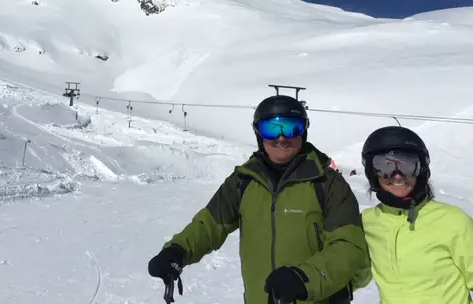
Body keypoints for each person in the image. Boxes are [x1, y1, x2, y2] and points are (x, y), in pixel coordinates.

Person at [148, 95, 372, 304]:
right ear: (258, 134)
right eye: (271, 129)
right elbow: (209, 225)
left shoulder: (327, 183)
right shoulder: (244, 181)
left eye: (292, 128)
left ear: (303, 132)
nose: (281, 138)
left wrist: (305, 278)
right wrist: (177, 250)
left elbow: (348, 248)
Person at [361, 126, 473, 303]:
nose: (397, 176)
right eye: (384, 166)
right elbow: (354, 273)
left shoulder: (453, 221)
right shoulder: (367, 223)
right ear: (372, 172)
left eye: (407, 165)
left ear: (421, 169)